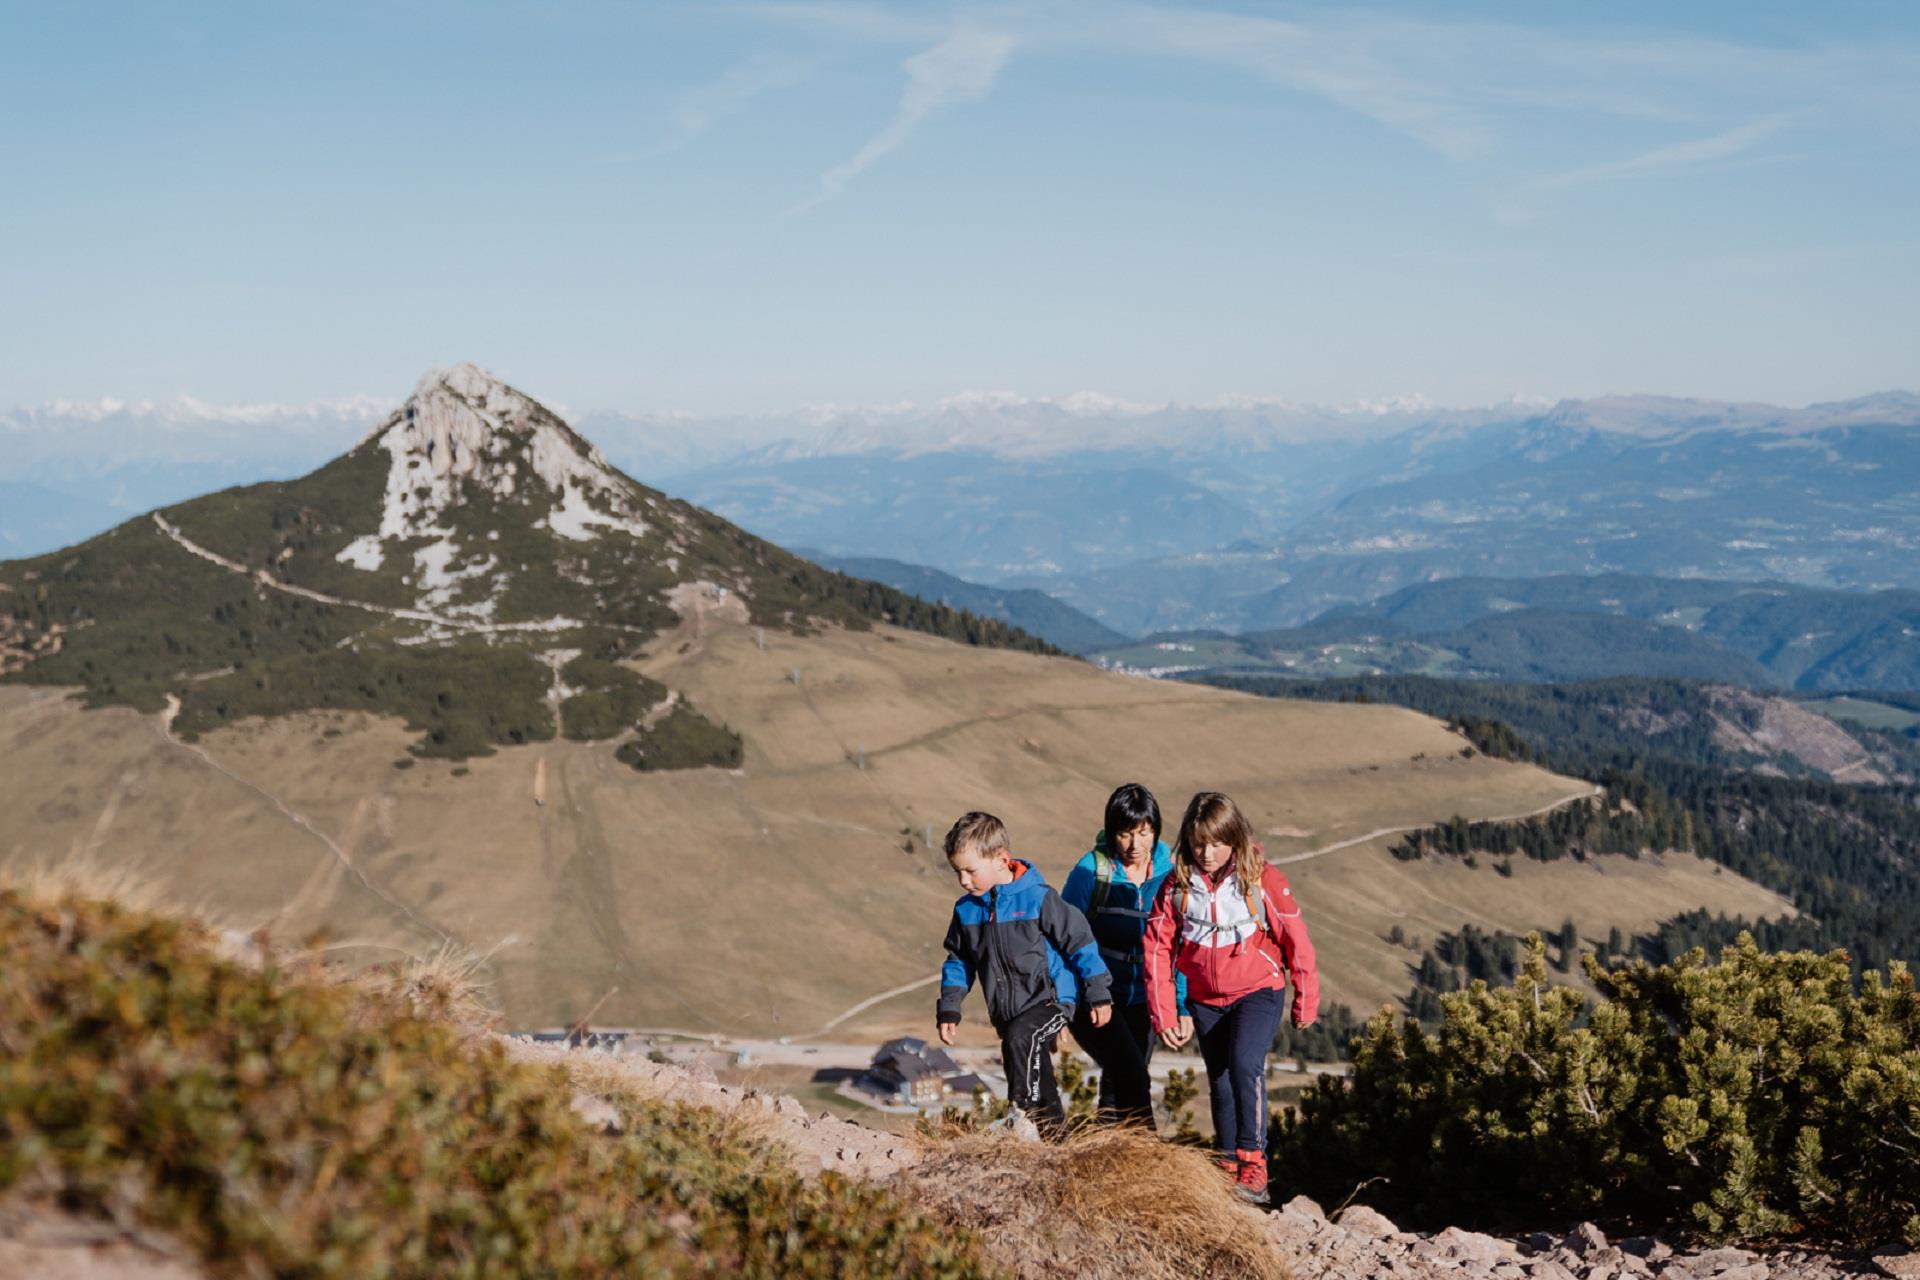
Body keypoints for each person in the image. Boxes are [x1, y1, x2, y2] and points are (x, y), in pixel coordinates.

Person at [1143, 791, 1319, 1202]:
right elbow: (1156, 949)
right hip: (1205, 998)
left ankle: (1254, 1163)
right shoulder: (1176, 886)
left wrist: (1305, 998)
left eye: (1217, 843)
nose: (1207, 853)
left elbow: (1297, 940)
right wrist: (1165, 1013)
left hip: (1258, 990)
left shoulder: (1262, 879)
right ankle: (1226, 1165)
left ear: (1235, 838)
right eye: (1199, 842)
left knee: (1244, 1065)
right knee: (1220, 1079)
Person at [937, 810, 1113, 1137]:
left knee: (1022, 1038)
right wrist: (950, 1006)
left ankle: (1022, 1114)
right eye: (957, 872)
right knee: (1032, 1065)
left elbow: (1080, 943)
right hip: (1007, 1011)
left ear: (1001, 859)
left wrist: (1098, 991)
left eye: (970, 871)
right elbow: (959, 961)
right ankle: (1056, 1141)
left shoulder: (1038, 898)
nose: (963, 881)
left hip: (1052, 998)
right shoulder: (965, 911)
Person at [1060, 783, 1191, 1125]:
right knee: (1132, 1073)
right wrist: (1061, 1001)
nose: (1135, 845)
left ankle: (1111, 1158)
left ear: (1155, 831)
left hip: (1145, 997)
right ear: (1111, 832)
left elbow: (1179, 946)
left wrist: (1180, 1005)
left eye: (1144, 833)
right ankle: (1147, 1155)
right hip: (1097, 996)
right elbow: (1061, 936)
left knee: (1121, 1081)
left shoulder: (1171, 875)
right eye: (1125, 834)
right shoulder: (1091, 872)